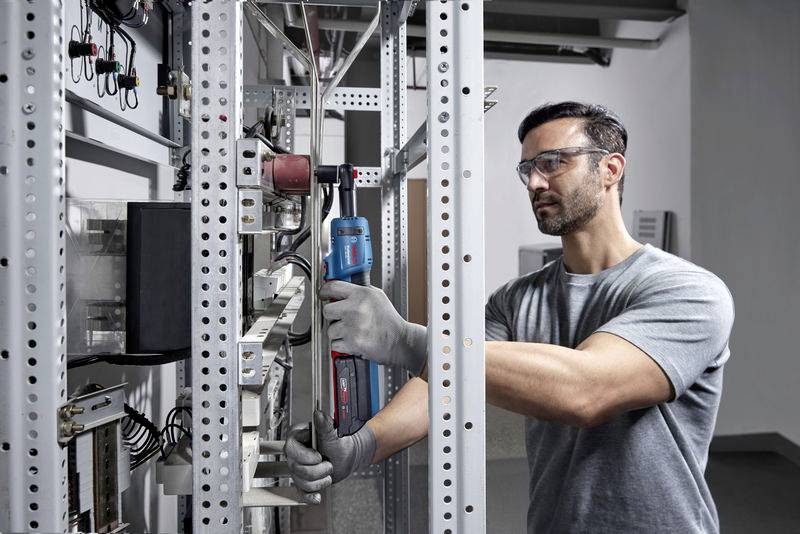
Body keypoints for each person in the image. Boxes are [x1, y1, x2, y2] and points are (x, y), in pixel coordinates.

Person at [283, 102, 734, 533]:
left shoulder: (689, 292)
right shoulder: (517, 300)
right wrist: (362, 446)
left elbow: (588, 391)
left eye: (554, 162)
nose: (535, 182)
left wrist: (406, 340)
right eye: (528, 169)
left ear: (611, 169)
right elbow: (441, 383)